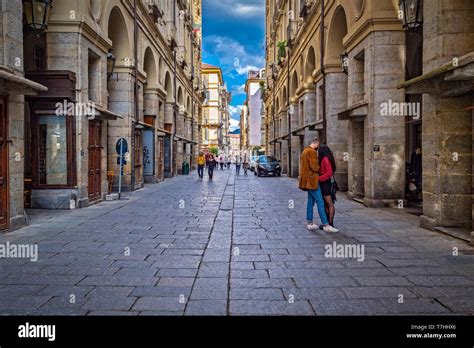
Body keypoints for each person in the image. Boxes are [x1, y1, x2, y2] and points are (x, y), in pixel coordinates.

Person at [298, 139, 339, 233]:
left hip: (307, 181)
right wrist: (319, 169)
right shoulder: (311, 152)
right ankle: (326, 224)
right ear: (315, 143)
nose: (318, 150)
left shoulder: (305, 151)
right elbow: (314, 167)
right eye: (318, 146)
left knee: (310, 201)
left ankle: (310, 223)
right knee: (320, 201)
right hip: (312, 181)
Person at [318, 145, 337, 228]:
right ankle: (327, 223)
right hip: (324, 183)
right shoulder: (326, 158)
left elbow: (329, 173)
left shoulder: (326, 159)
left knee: (329, 203)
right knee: (326, 203)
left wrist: (318, 178)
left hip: (326, 183)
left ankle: (330, 223)